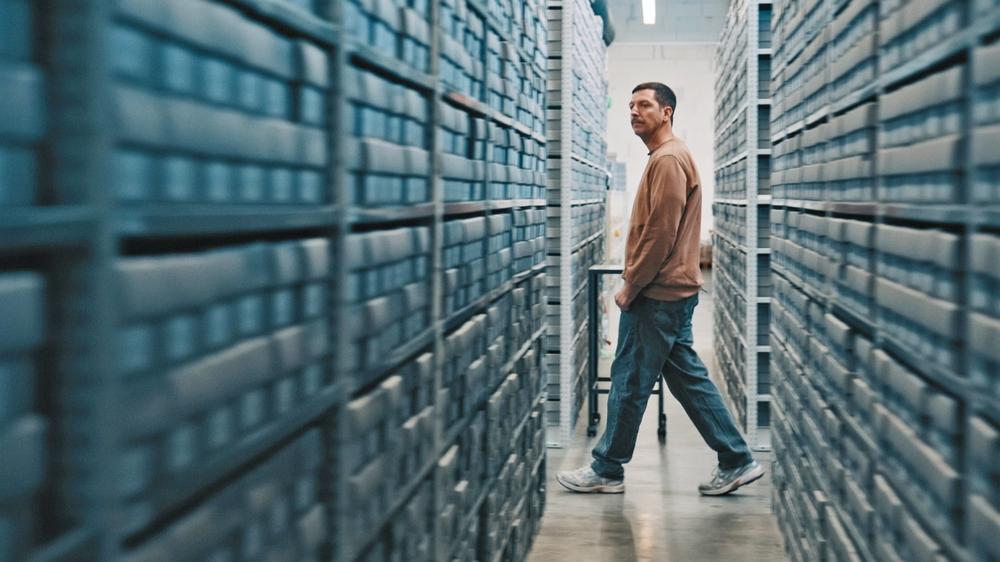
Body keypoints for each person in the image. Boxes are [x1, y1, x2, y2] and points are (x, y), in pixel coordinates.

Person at [556, 82, 763, 496]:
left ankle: (607, 468)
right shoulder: (667, 156)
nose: (634, 112)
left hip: (657, 293)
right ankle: (736, 458)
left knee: (629, 379)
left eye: (644, 105)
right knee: (686, 378)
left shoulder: (668, 159)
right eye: (631, 105)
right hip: (672, 291)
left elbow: (660, 235)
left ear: (666, 112)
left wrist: (631, 286)